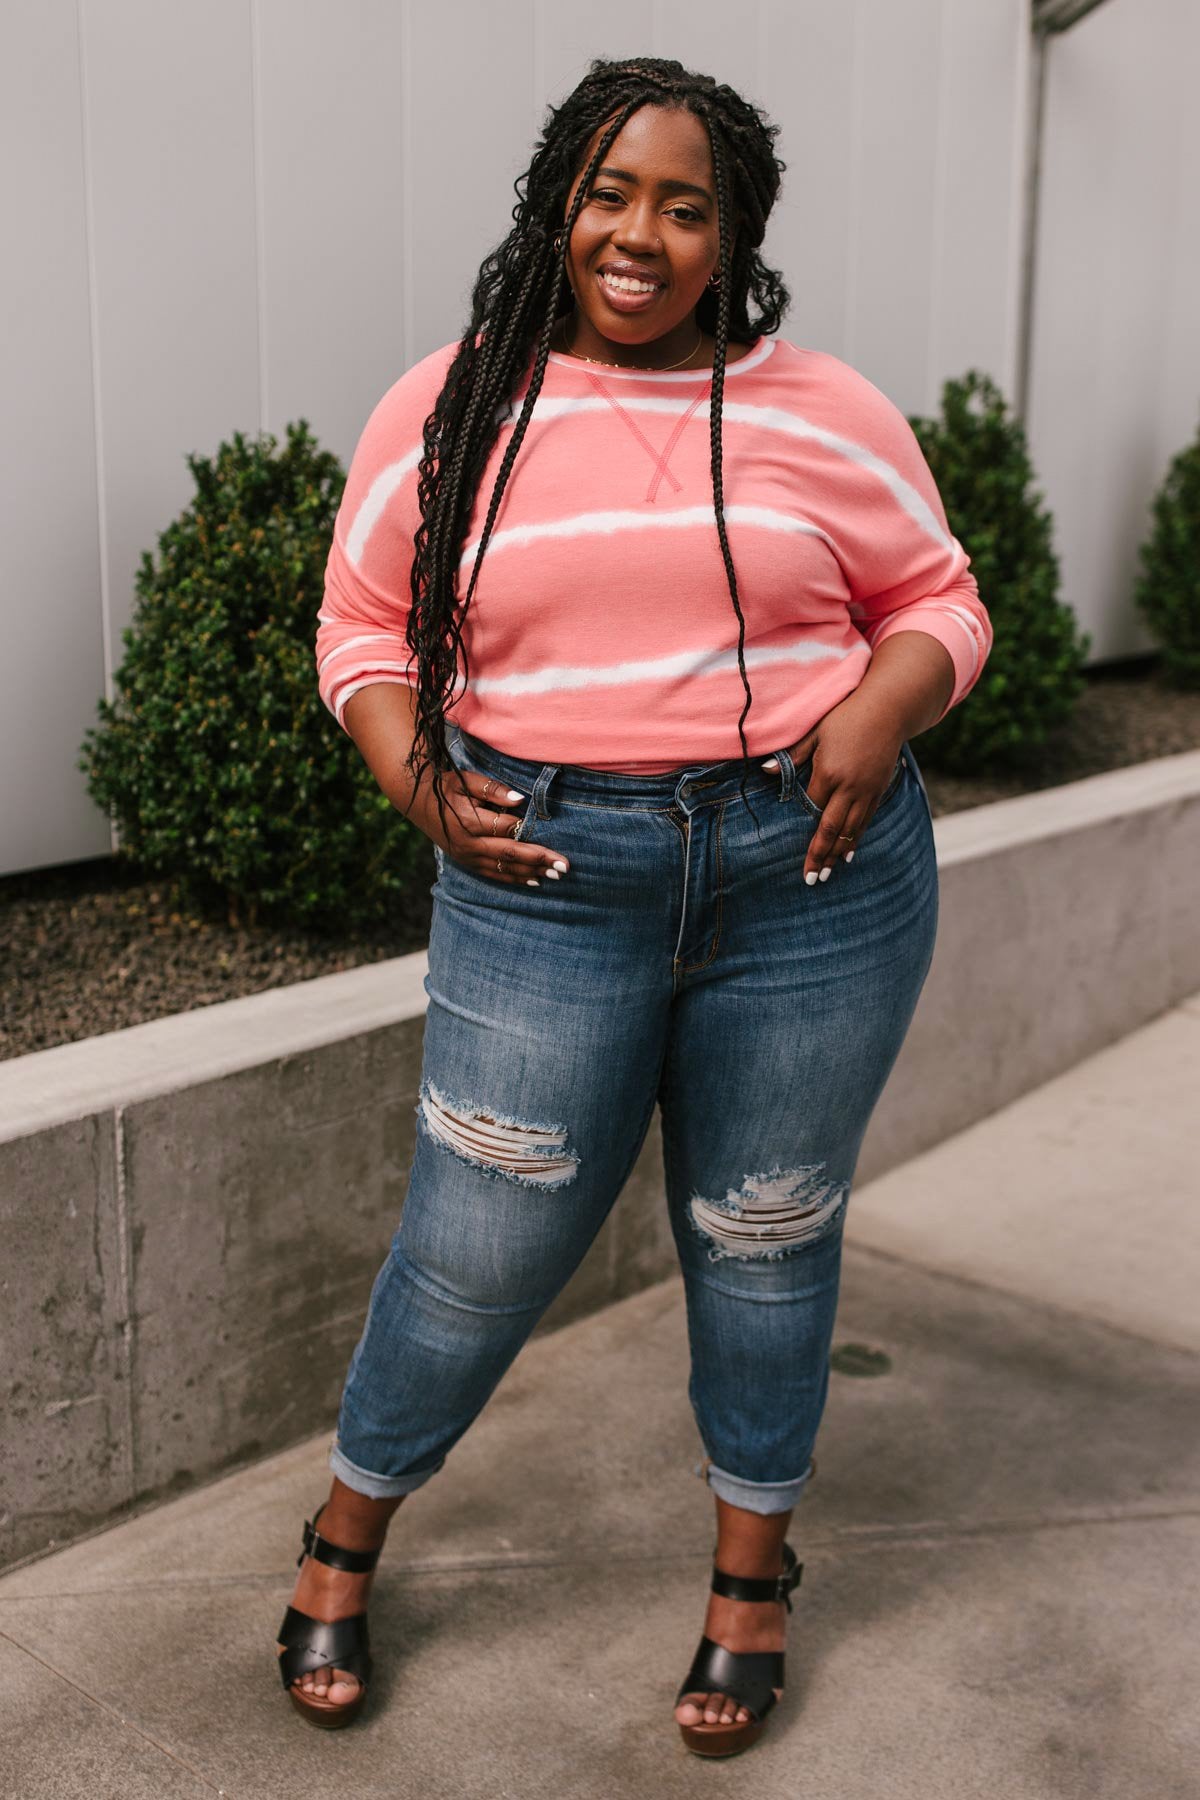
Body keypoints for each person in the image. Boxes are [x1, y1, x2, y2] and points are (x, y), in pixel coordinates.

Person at [278, 54, 992, 1757]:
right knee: (479, 1248)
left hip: (808, 877)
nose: (643, 235)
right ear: (558, 205)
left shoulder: (829, 408)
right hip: (546, 882)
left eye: (688, 205)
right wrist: (406, 772)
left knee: (763, 1234)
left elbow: (939, 602)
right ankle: (344, 1530)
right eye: (612, 193)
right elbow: (361, 626)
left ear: (732, 234)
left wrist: (883, 707)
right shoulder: (453, 406)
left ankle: (753, 1580)